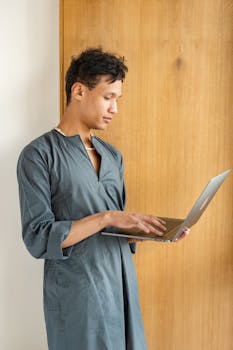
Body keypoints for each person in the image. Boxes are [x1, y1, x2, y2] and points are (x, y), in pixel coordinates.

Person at [17, 48, 190, 350]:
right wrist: (106, 217)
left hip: (121, 290)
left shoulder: (112, 156)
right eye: (108, 97)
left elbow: (113, 233)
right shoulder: (39, 155)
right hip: (78, 297)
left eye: (117, 99)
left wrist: (148, 232)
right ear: (79, 90)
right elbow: (38, 236)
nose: (115, 108)